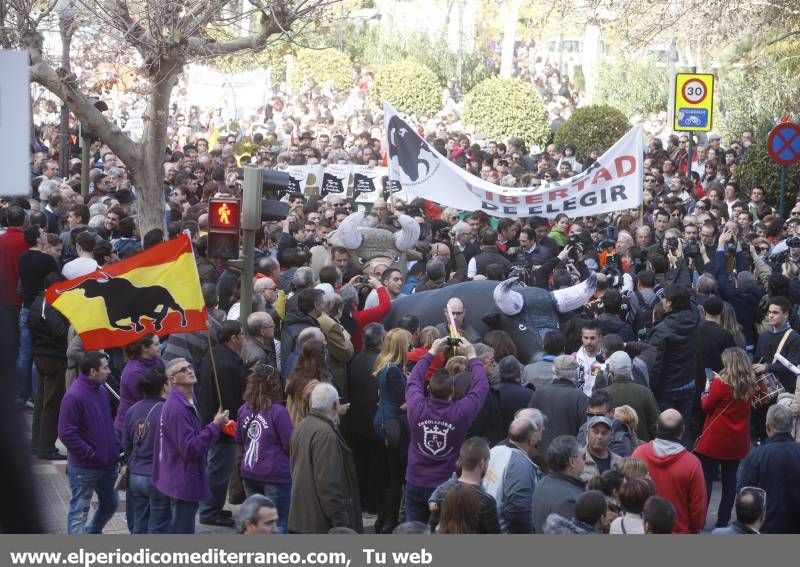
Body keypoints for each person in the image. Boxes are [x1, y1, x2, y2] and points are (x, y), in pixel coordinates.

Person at [404, 337, 488, 524]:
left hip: (415, 480)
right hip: (446, 485)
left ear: (428, 389)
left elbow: (413, 380)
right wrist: (472, 355)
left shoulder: (416, 406)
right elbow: (481, 387)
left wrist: (431, 352)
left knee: (413, 532)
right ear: (452, 393)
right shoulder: (460, 413)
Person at [152, 358, 229, 534]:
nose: (189, 370)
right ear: (172, 380)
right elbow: (190, 448)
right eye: (183, 370)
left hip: (178, 476)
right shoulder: (178, 408)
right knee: (182, 532)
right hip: (181, 480)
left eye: (189, 366)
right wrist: (214, 426)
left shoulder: (188, 399)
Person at [57, 351, 120, 534]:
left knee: (111, 504)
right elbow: (66, 433)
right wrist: (89, 452)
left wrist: (114, 446)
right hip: (85, 467)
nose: (109, 371)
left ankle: (91, 533)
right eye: (105, 368)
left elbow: (106, 422)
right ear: (93, 371)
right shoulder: (73, 396)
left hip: (107, 464)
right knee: (79, 511)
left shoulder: (102, 391)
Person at [288, 383, 362, 533]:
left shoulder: (301, 426)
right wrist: (342, 524)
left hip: (301, 519)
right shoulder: (325, 434)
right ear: (335, 404)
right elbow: (329, 486)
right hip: (319, 525)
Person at [694, 347, 754, 529]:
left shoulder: (721, 384)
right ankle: (723, 521)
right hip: (736, 442)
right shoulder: (749, 385)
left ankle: (701, 519)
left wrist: (706, 388)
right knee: (730, 484)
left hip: (715, 440)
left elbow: (706, 406)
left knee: (707, 482)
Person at [197, 320, 248, 527]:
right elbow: (229, 398)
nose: (244, 338)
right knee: (217, 470)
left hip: (216, 423)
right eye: (242, 335)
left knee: (218, 468)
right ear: (233, 338)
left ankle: (215, 507)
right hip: (222, 426)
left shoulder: (218, 354)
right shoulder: (225, 363)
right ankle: (209, 511)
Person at [236, 363, 293, 533]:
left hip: (249, 472)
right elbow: (289, 443)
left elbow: (239, 439)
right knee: (278, 522)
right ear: (275, 384)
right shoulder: (278, 411)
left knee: (256, 524)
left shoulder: (243, 410)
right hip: (275, 474)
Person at [632, 409, 707, 533]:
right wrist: (696, 529)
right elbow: (698, 506)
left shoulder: (638, 454)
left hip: (643, 529)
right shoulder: (692, 463)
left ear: (657, 427)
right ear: (682, 430)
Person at [372, 328, 413, 534]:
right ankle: (390, 523)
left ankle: (383, 520)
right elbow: (404, 404)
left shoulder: (384, 365)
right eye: (408, 344)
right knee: (396, 477)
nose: (410, 347)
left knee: (389, 476)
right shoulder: (394, 371)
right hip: (393, 426)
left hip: (383, 423)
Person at [648, 284, 701, 440]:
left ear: (669, 303)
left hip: (667, 387)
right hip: (688, 381)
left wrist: (651, 387)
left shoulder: (662, 330)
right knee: (684, 427)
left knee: (666, 428)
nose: (662, 301)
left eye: (664, 298)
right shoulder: (694, 316)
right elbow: (691, 301)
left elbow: (655, 364)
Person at [737, 404, 800, 533]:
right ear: (791, 426)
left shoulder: (757, 455)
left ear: (768, 427)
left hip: (765, 527)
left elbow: (743, 493)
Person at [123, 368, 169, 534]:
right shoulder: (167, 410)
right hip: (157, 476)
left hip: (135, 475)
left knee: (138, 526)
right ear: (164, 386)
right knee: (157, 527)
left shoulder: (132, 410)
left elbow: (126, 444)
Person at [28, 271, 69, 460]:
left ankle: (36, 444)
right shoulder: (51, 305)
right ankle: (46, 447)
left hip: (40, 354)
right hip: (53, 357)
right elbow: (60, 332)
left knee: (41, 402)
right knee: (51, 403)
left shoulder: (38, 301)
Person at [428, 437, 500, 534]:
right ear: (482, 463)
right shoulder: (487, 501)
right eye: (488, 461)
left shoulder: (442, 492)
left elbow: (431, 528)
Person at [482, 418, 541, 533]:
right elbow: (518, 510)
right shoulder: (521, 465)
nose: (542, 430)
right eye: (537, 430)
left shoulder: (494, 450)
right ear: (531, 438)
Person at [528, 355, 588, 454]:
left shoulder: (538, 393)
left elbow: (529, 424)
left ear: (554, 371)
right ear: (575, 373)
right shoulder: (580, 397)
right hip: (568, 458)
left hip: (541, 456)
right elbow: (584, 432)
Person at [532, 435, 586, 533]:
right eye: (583, 457)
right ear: (572, 462)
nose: (584, 462)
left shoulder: (542, 483)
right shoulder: (569, 500)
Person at [114, 334, 165, 437]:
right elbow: (144, 401)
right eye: (156, 344)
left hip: (151, 415)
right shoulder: (134, 372)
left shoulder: (158, 361)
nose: (160, 346)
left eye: (159, 343)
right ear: (144, 348)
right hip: (133, 424)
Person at [602, 351, 659, 442]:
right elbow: (655, 427)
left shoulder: (602, 395)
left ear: (611, 371)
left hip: (611, 449)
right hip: (640, 451)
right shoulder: (645, 392)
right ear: (631, 368)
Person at [285, 339, 329, 424]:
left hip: (294, 431)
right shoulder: (315, 388)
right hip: (307, 434)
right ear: (321, 358)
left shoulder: (294, 377)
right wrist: (338, 410)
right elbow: (322, 420)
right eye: (325, 353)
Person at [580, 416, 623, 482]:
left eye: (604, 433)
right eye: (595, 432)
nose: (599, 437)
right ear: (587, 433)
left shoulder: (619, 462)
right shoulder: (578, 460)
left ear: (611, 436)